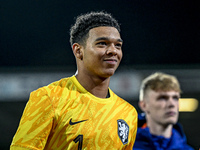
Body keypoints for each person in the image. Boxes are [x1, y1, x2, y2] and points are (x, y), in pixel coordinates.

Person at [10, 11, 138, 150]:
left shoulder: (127, 113)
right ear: (78, 51)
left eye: (118, 45)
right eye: (102, 44)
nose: (113, 51)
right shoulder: (49, 98)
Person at [133, 72, 194, 150]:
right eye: (162, 98)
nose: (172, 104)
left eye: (175, 98)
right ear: (144, 105)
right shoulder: (125, 146)